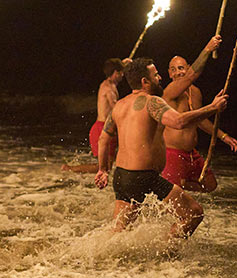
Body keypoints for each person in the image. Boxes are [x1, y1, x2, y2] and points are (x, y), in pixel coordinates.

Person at [94, 56, 227, 244]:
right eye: (156, 75)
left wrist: (103, 169)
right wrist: (212, 108)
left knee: (118, 232)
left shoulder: (120, 105)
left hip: (121, 177)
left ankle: (100, 259)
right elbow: (179, 122)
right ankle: (166, 255)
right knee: (193, 213)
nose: (160, 78)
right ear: (144, 81)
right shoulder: (152, 102)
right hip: (144, 177)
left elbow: (103, 138)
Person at [161, 42, 237, 192]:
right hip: (172, 152)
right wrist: (207, 49)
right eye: (173, 70)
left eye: (181, 68)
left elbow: (199, 119)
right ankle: (171, 185)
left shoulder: (195, 92)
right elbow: (192, 77)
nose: (178, 72)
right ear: (169, 74)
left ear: (188, 68)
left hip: (191, 153)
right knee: (172, 198)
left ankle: (178, 183)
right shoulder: (170, 91)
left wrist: (223, 136)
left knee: (209, 185)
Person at [63, 57, 125, 173]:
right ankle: (68, 169)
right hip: (102, 128)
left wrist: (123, 64)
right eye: (121, 73)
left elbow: (116, 70)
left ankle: (93, 184)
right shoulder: (108, 89)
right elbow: (116, 109)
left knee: (107, 167)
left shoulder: (109, 83)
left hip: (107, 128)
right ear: (116, 73)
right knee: (102, 167)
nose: (123, 75)